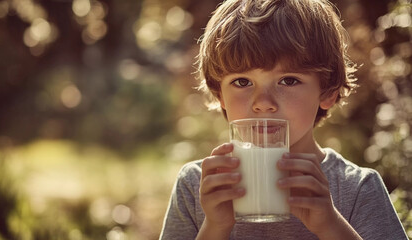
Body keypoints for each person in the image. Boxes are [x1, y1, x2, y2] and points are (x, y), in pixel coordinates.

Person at [159, 0, 408, 239]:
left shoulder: (357, 189)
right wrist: (215, 227)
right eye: (242, 82)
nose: (263, 102)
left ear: (328, 93)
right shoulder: (196, 187)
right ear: (219, 95)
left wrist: (331, 225)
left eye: (288, 80)